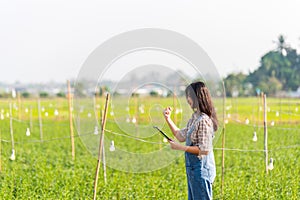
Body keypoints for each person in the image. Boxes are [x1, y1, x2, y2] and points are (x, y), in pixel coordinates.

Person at [163, 81, 218, 200]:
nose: (187, 99)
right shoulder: (195, 117)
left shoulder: (204, 121)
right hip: (193, 170)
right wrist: (168, 119)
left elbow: (204, 151)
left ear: (197, 97)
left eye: (189, 95)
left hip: (201, 171)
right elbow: (181, 136)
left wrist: (180, 147)